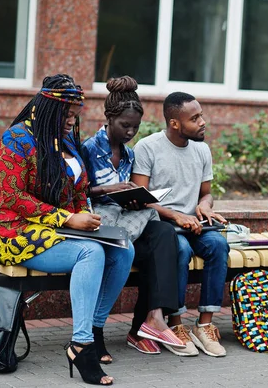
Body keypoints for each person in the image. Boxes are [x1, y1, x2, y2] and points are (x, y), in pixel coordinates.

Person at [0, 74, 135, 385]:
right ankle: (81, 345)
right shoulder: (15, 140)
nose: (71, 121)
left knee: (124, 248)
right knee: (91, 252)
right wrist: (67, 219)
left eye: (74, 115)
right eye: (65, 115)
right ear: (46, 111)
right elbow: (13, 197)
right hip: (16, 231)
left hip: (65, 228)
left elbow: (79, 189)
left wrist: (84, 215)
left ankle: (93, 329)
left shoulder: (65, 140)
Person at [81, 76, 185, 358]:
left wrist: (138, 199)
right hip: (98, 226)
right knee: (145, 245)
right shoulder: (89, 150)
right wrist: (108, 189)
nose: (130, 132)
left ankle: (153, 319)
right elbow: (76, 192)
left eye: (135, 127)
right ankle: (99, 332)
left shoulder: (128, 155)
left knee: (164, 235)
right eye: (124, 125)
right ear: (109, 118)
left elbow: (127, 194)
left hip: (126, 224)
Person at [131, 92, 229, 358]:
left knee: (219, 244)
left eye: (201, 115)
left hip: (195, 224)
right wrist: (176, 216)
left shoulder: (202, 149)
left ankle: (205, 325)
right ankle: (175, 324)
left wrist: (205, 206)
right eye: (194, 118)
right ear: (175, 123)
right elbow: (140, 200)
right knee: (181, 250)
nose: (202, 122)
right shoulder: (148, 148)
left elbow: (206, 193)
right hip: (163, 227)